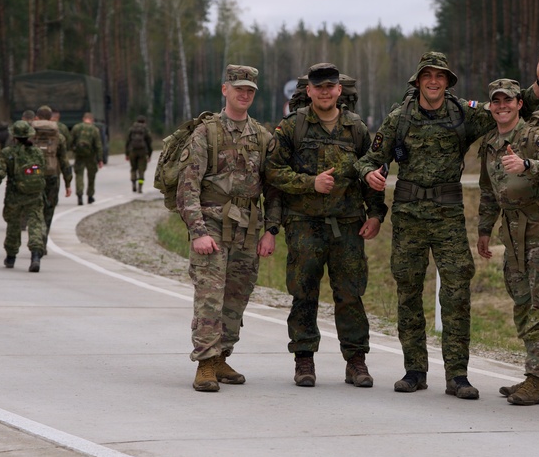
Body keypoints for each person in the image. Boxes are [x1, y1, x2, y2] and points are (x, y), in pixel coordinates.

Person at [356, 51, 539, 398]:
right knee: (408, 292)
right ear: (417, 81)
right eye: (427, 76)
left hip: (448, 215)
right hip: (408, 215)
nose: (434, 82)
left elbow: (507, 109)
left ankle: (457, 376)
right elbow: (370, 159)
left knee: (456, 294)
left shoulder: (463, 112)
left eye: (440, 76)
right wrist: (369, 173)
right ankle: (414, 371)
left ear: (447, 82)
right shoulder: (399, 118)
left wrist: (538, 85)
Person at [266, 63, 386, 388]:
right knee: (304, 292)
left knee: (350, 294)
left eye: (330, 86)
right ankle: (304, 359)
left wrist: (376, 214)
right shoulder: (292, 127)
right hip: (304, 225)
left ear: (337, 90)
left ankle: (356, 361)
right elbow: (273, 172)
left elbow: (371, 172)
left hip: (348, 225)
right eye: (318, 87)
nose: (324, 92)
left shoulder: (356, 127)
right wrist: (309, 183)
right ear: (309, 91)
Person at [176, 64, 281, 392]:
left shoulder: (262, 136)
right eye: (239, 89)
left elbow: (273, 188)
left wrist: (271, 230)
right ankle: (205, 363)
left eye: (250, 90)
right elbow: (188, 185)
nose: (244, 94)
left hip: (248, 232)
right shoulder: (206, 132)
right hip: (213, 228)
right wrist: (198, 231)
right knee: (210, 297)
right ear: (225, 90)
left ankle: (222, 356)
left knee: (237, 298)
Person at [476, 79, 539, 406]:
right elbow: (488, 190)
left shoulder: (534, 137)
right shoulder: (489, 143)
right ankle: (533, 375)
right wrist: (485, 229)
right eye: (496, 101)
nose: (502, 106)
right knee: (523, 303)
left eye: (508, 101)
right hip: (512, 236)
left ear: (519, 104)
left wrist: (528, 165)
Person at [0, 120, 47, 273]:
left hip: (14, 195)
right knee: (35, 223)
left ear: (14, 137)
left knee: (13, 224)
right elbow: (41, 171)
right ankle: (36, 256)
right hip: (34, 194)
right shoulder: (37, 152)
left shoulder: (8, 153)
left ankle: (11, 256)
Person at [33, 105, 73, 249]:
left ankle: (35, 240)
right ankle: (42, 240)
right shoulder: (59, 136)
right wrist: (68, 182)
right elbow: (64, 161)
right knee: (48, 210)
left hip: (33, 176)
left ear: (36, 117)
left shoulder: (29, 134)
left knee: (34, 209)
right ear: (51, 118)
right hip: (52, 176)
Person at [71, 112, 104, 204]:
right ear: (92, 120)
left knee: (79, 175)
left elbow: (71, 141)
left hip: (79, 155)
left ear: (83, 119)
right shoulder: (94, 130)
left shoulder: (76, 128)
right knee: (91, 176)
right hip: (91, 156)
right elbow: (98, 145)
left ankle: (79, 195)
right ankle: (90, 196)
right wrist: (100, 159)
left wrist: (73, 150)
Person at [125, 116, 153, 193]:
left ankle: (133, 183)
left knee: (133, 168)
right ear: (144, 122)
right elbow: (149, 142)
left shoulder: (132, 129)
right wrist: (149, 155)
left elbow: (127, 141)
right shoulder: (145, 129)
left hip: (132, 151)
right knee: (141, 170)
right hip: (142, 152)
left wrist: (127, 154)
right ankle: (140, 187)